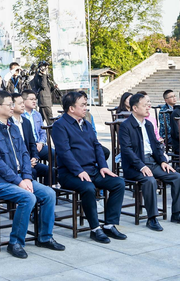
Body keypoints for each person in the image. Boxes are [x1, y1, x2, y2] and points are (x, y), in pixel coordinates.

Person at [0, 91, 64, 258]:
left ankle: (45, 237)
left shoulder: (14, 128)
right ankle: (15, 242)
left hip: (20, 179)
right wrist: (19, 181)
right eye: (9, 104)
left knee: (49, 193)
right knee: (28, 198)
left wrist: (26, 177)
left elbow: (24, 154)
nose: (12, 107)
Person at [51, 91, 126, 244]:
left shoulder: (86, 124)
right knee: (88, 188)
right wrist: (79, 171)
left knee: (118, 183)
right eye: (83, 105)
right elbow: (64, 153)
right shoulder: (60, 126)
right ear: (71, 108)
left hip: (92, 170)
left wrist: (103, 167)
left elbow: (97, 147)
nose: (86, 108)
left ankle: (110, 224)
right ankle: (95, 228)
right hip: (69, 174)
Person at [119, 93, 180, 231]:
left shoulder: (147, 124)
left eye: (149, 103)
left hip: (152, 162)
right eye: (145, 104)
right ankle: (152, 218)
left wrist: (163, 161)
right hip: (135, 166)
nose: (149, 107)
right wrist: (141, 166)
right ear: (135, 108)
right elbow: (127, 150)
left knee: (177, 177)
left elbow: (156, 145)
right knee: (150, 181)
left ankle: (177, 213)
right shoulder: (126, 126)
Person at [11, 93, 49, 184]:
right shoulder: (9, 123)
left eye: (23, 103)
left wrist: (35, 157)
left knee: (49, 170)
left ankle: (46, 194)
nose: (23, 105)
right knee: (33, 172)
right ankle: (33, 195)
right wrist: (26, 162)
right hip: (19, 162)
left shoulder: (26, 122)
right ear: (12, 106)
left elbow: (32, 143)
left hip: (29, 158)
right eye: (20, 103)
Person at [21, 89, 52, 162]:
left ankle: (52, 173)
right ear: (23, 101)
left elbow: (42, 132)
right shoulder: (20, 115)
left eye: (35, 99)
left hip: (39, 145)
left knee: (54, 154)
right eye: (31, 99)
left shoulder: (37, 114)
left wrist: (41, 143)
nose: (34, 101)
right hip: (27, 147)